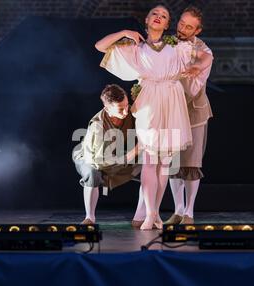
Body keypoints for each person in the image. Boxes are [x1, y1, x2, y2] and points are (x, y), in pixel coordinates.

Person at [95, 5, 212, 230]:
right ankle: (149, 214)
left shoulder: (176, 45)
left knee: (165, 163)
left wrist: (197, 67)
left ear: (167, 24)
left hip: (172, 100)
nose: (159, 17)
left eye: (164, 16)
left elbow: (206, 56)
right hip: (150, 101)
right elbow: (100, 46)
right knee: (150, 159)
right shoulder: (136, 47)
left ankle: (156, 213)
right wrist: (123, 33)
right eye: (155, 14)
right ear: (147, 20)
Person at [132, 6, 213, 227]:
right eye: (181, 23)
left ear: (198, 30)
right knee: (167, 162)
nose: (183, 29)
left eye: (189, 27)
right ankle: (171, 210)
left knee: (191, 163)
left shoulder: (200, 49)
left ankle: (189, 211)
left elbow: (194, 86)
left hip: (192, 111)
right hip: (167, 110)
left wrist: (176, 83)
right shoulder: (170, 43)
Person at [72, 84, 140, 224]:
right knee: (93, 173)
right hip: (90, 157)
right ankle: (89, 217)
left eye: (127, 105)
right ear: (107, 109)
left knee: (149, 167)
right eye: (121, 109)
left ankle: (141, 216)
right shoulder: (98, 126)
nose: (126, 111)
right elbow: (97, 160)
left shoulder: (130, 112)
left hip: (117, 154)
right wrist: (133, 153)